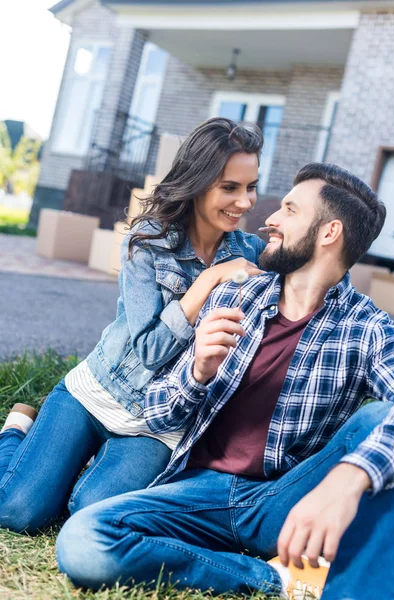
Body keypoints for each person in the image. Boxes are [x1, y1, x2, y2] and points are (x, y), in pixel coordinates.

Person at [57, 163, 394, 600]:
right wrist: (197, 372)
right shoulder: (234, 295)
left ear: (328, 232)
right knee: (85, 539)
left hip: (284, 497)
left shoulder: (368, 327)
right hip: (198, 492)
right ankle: (280, 580)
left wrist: (347, 479)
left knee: (381, 419)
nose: (268, 218)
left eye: (290, 210)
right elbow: (159, 413)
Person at [0, 117, 266, 534]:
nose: (246, 202)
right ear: (197, 183)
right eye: (230, 188)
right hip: (97, 393)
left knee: (87, 513)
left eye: (251, 186)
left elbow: (318, 275)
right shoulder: (148, 240)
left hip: (159, 425)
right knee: (18, 512)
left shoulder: (251, 253)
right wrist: (209, 279)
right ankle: (17, 430)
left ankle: (74, 463)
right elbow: (152, 349)